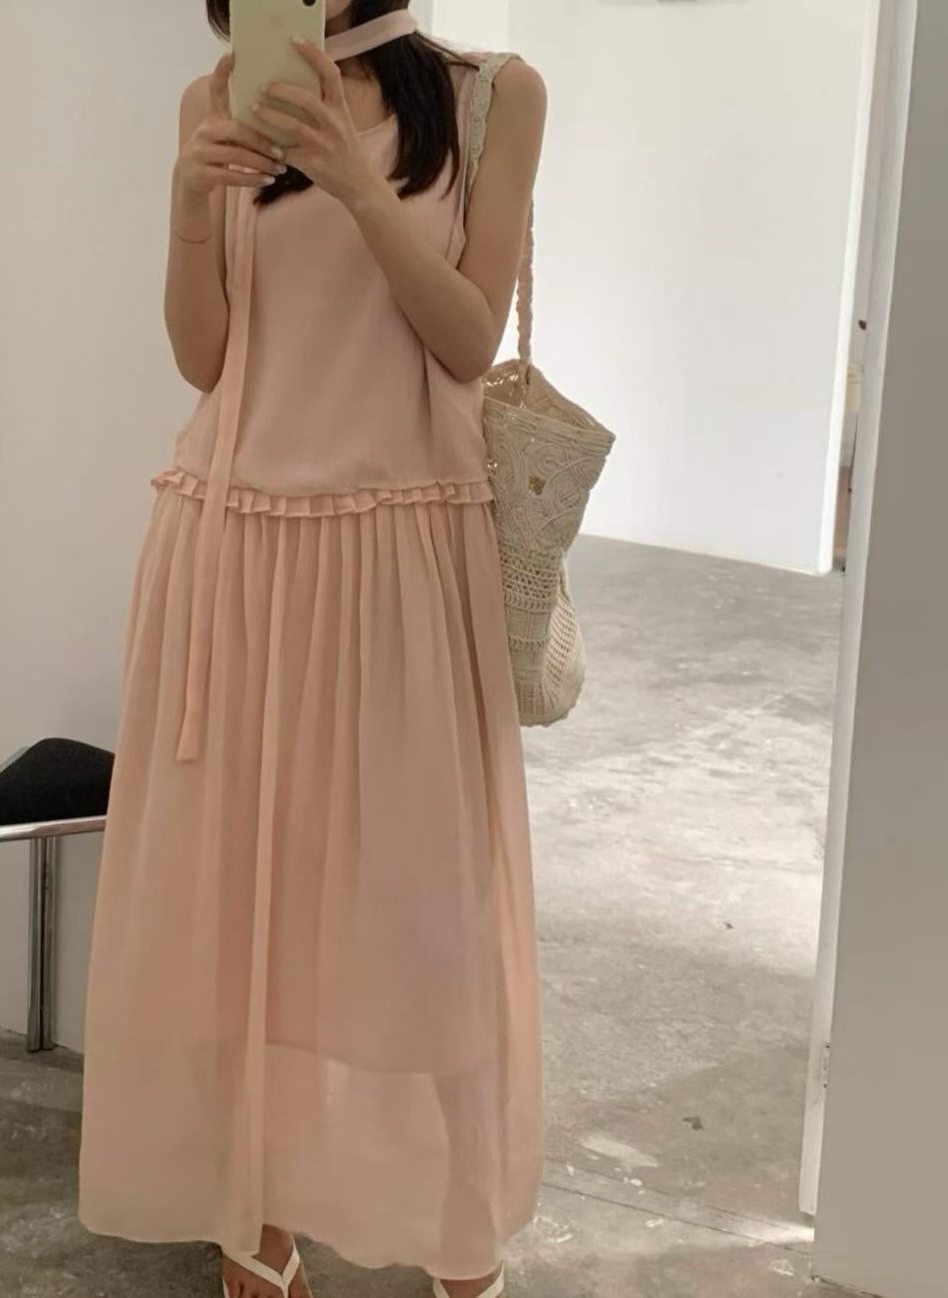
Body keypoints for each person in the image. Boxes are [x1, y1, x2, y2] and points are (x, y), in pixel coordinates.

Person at [76, 3, 547, 1297]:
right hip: (233, 548)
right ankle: (261, 1200)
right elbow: (205, 359)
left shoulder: (492, 95)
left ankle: (456, 1222)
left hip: (402, 554)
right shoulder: (218, 93)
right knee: (247, 902)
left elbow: (467, 340)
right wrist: (188, 205)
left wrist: (353, 181)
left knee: (422, 914)